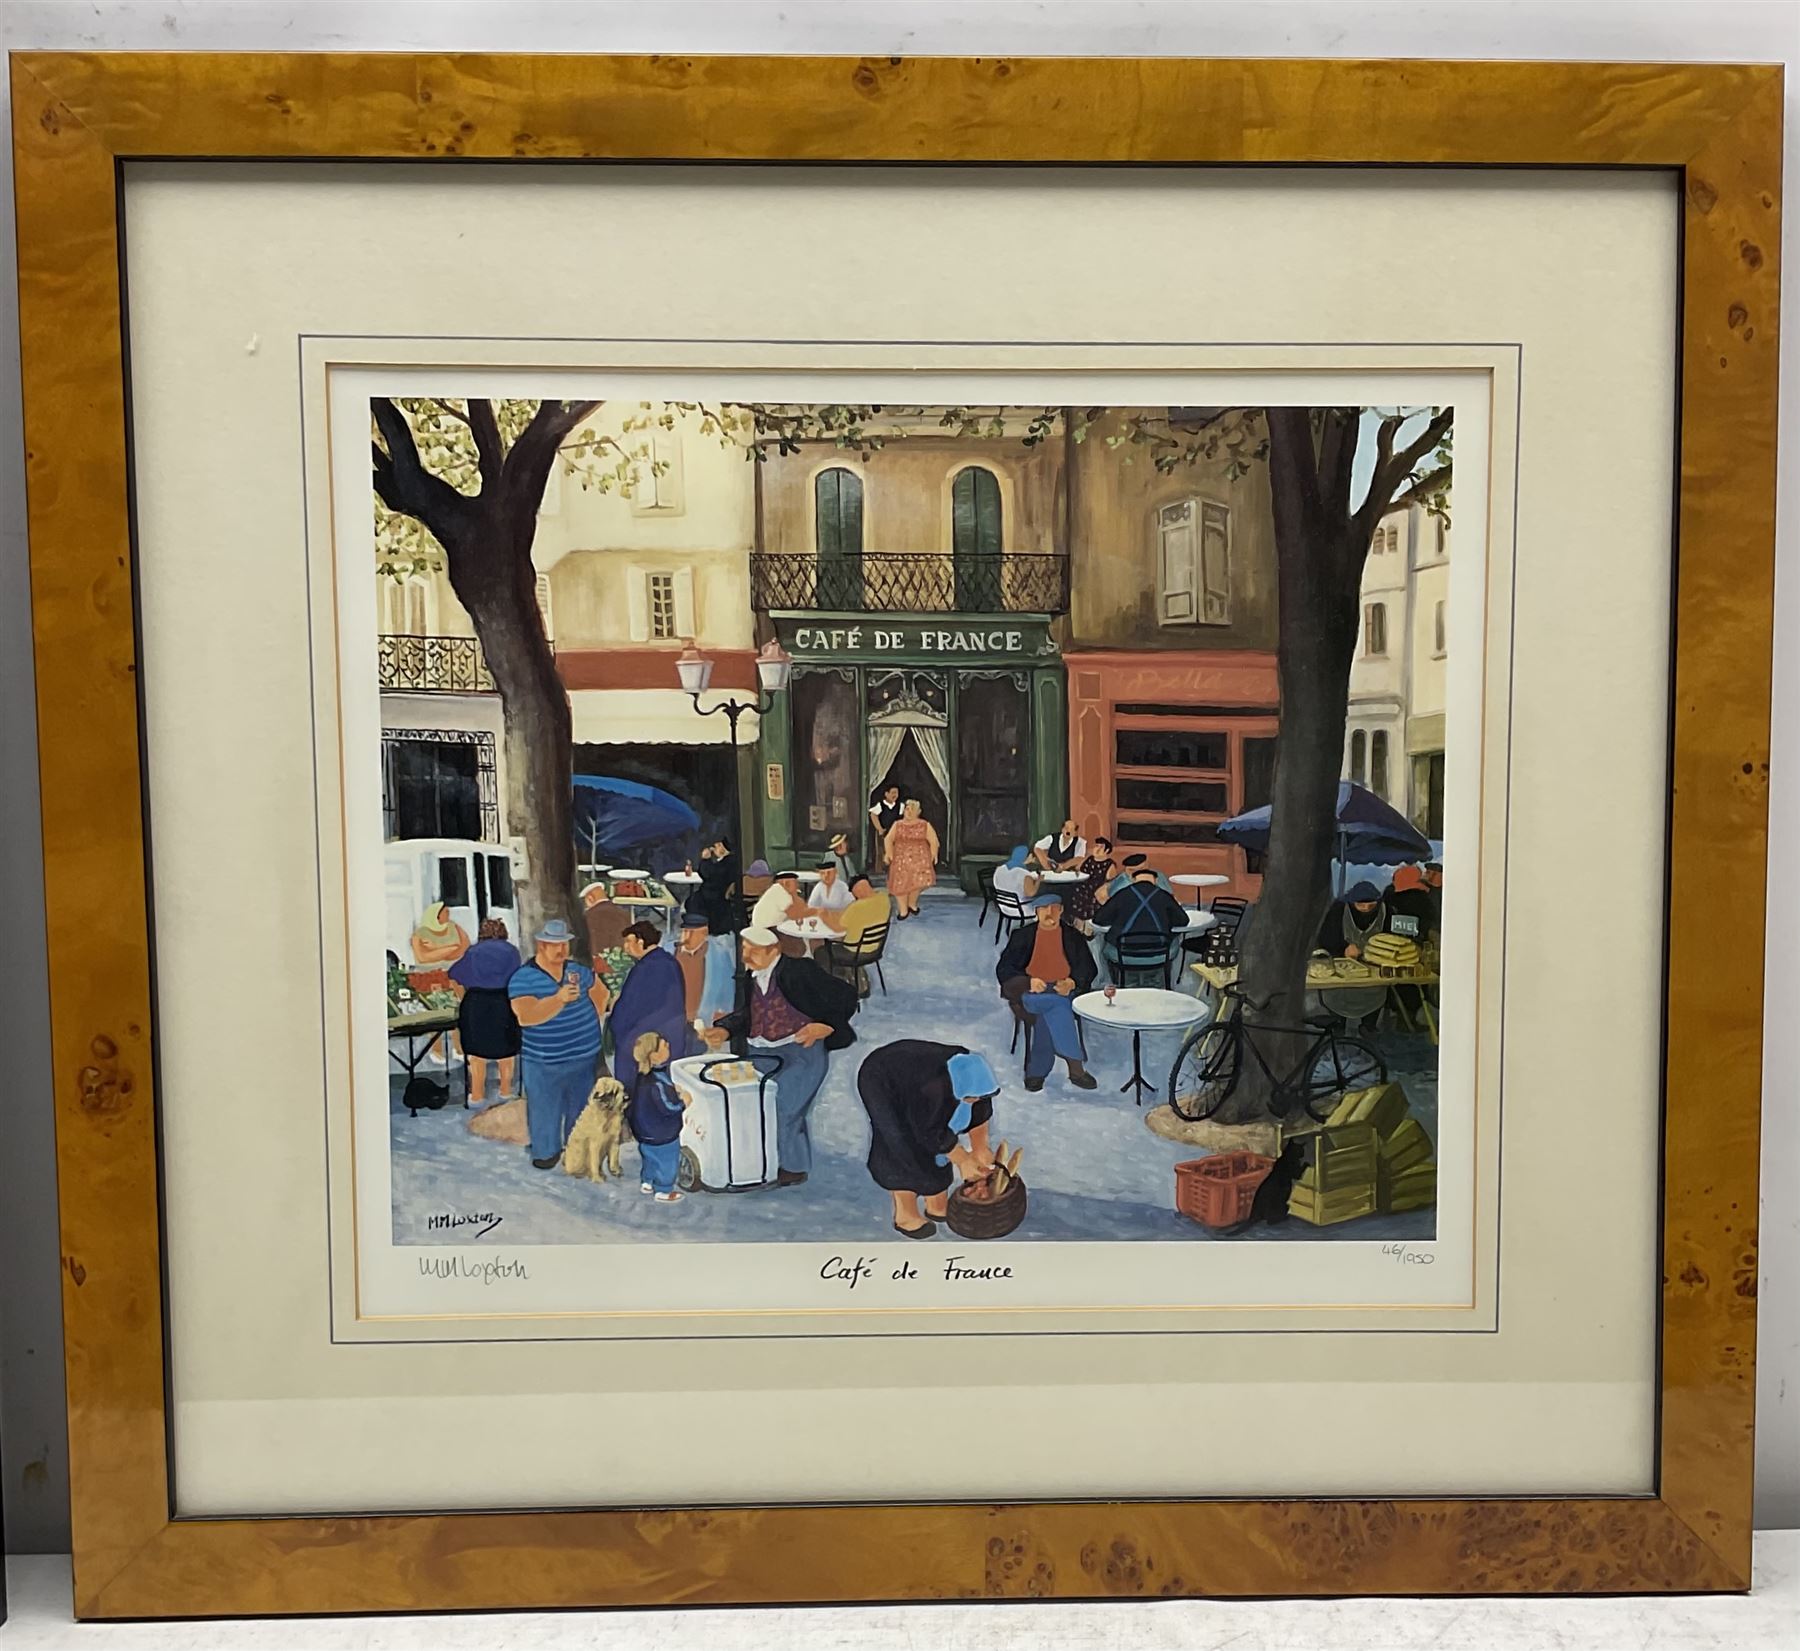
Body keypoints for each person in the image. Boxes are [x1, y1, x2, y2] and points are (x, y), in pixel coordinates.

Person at [707, 925, 857, 1186]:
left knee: (785, 1107)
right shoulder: (749, 977)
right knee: (748, 1105)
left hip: (801, 1052)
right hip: (759, 1050)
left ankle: (793, 1167)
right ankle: (756, 1163)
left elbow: (846, 996)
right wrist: (725, 1030)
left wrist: (827, 1025)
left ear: (773, 950)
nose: (746, 954)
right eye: (745, 947)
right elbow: (748, 1013)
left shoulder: (800, 971)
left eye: (753, 949)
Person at [858, 1044, 1000, 1239]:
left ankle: (934, 1196)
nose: (975, 1100)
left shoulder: (971, 1073)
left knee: (940, 1149)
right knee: (901, 1142)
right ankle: (905, 1212)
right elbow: (928, 1132)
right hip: (883, 1079)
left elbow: (979, 1107)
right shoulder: (933, 1089)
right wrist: (962, 1159)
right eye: (970, 1097)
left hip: (924, 1081)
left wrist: (980, 1148)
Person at [508, 918, 610, 1169]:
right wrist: (559, 1000)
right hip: (544, 1059)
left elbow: (602, 994)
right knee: (544, 1109)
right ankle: (546, 1153)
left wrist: (584, 1024)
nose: (561, 950)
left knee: (581, 1107)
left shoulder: (578, 972)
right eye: (554, 944)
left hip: (583, 1055)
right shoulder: (523, 978)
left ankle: (576, 1153)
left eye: (564, 944)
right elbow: (526, 1016)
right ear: (541, 945)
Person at [996, 892, 1098, 1092]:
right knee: (1058, 1005)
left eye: (1054, 908)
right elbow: (1004, 969)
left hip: (1064, 990)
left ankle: (1036, 1072)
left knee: (1050, 1011)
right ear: (1036, 912)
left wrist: (1072, 981)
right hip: (1029, 993)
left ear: (1061, 911)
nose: (1049, 913)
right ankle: (1076, 1069)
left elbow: (1089, 968)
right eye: (1043, 909)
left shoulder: (1072, 936)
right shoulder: (1023, 935)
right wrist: (1028, 981)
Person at [606, 920, 693, 1091]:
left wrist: (616, 1021)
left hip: (643, 1043)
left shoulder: (647, 968)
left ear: (641, 941)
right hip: (666, 1038)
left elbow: (631, 1008)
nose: (625, 947)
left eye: (628, 942)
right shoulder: (668, 962)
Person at [446, 917, 521, 1103]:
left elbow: (453, 975)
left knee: (477, 1053)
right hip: (504, 1002)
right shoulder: (512, 951)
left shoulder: (473, 951)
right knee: (506, 1051)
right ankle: (505, 1090)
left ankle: (477, 1094)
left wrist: (462, 996)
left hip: (476, 1003)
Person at [1091, 861, 1189, 978]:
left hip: (1123, 953)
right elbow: (1183, 921)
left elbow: (1099, 919)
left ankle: (1115, 981)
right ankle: (1168, 983)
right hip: (1161, 952)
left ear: (1133, 879)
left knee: (1101, 944)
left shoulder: (1122, 894)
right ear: (1155, 880)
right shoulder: (1164, 895)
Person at [628, 1031, 690, 1204]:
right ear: (654, 1056)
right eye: (664, 1045)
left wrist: (672, 1088)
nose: (668, 1046)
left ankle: (647, 1182)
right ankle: (663, 1190)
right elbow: (668, 1107)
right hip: (662, 1133)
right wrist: (684, 1102)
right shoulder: (656, 1082)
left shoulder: (645, 1076)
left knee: (650, 1158)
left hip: (644, 1131)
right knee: (667, 1161)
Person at [833, 874, 894, 997]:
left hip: (853, 950)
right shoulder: (884, 899)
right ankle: (858, 976)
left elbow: (838, 927)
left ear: (857, 891)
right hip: (875, 949)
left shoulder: (855, 907)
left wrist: (824, 915)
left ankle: (843, 985)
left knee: (822, 951)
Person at [885, 798, 940, 918]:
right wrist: (889, 853)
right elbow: (888, 839)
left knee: (918, 883)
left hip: (920, 860)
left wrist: (934, 853)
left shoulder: (924, 825)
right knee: (900, 885)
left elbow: (933, 840)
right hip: (901, 860)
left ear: (918, 812)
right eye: (907, 809)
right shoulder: (897, 825)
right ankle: (903, 909)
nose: (909, 812)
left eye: (912, 810)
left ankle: (912, 903)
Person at [1318, 880, 1390, 959]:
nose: (1366, 909)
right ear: (1352, 903)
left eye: (1371, 906)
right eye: (1361, 905)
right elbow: (1326, 940)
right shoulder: (1338, 911)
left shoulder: (1386, 911)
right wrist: (1343, 950)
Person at [1066, 834, 1115, 924]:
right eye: (1096, 846)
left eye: (1101, 847)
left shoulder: (1109, 864)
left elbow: (1110, 882)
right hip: (1083, 885)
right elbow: (1077, 869)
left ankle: (1086, 923)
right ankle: (1074, 920)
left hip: (1096, 889)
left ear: (1107, 850)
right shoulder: (1089, 859)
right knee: (1071, 890)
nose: (1097, 849)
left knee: (1087, 896)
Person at [807, 857, 855, 923]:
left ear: (835, 872)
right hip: (822, 920)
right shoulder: (819, 886)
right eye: (823, 873)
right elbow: (811, 905)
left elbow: (851, 906)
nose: (826, 876)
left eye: (829, 873)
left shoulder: (842, 886)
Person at [867, 784, 904, 866]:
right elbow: (873, 815)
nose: (895, 795)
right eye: (893, 793)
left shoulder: (900, 806)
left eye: (896, 793)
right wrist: (879, 828)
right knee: (881, 852)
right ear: (886, 794)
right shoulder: (881, 805)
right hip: (884, 832)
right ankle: (880, 870)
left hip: (896, 833)